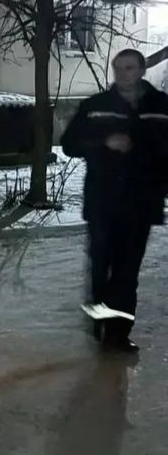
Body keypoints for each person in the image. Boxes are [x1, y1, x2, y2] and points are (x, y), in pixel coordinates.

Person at [61, 48, 168, 353]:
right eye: (118, 68)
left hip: (141, 203)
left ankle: (118, 334)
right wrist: (103, 143)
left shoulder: (161, 106)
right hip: (103, 203)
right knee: (101, 268)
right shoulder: (96, 105)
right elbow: (69, 144)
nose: (123, 74)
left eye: (130, 68)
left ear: (142, 70)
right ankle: (100, 321)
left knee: (127, 272)